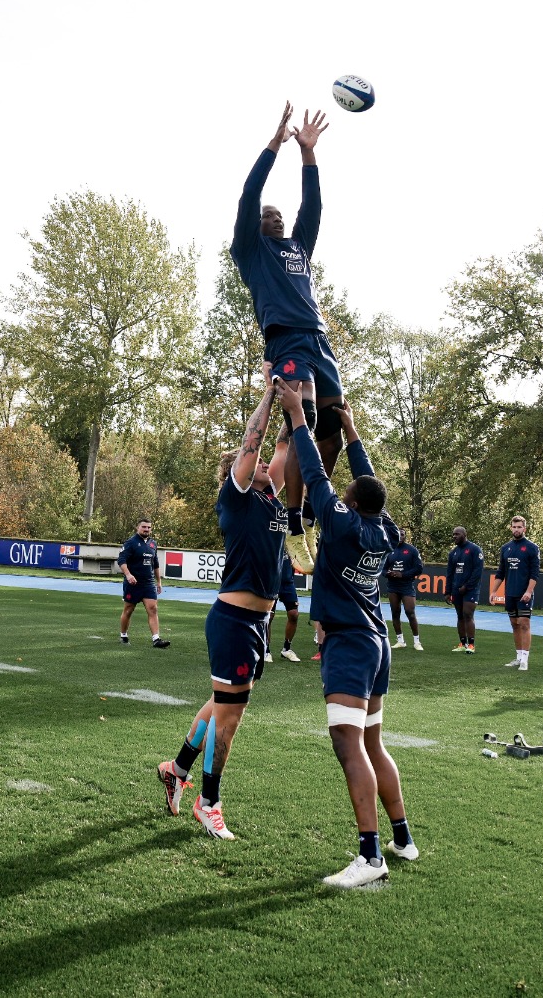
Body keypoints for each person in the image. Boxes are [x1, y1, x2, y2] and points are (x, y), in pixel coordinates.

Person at [278, 377, 418, 888]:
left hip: (351, 643)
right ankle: (402, 838)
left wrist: (298, 415)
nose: (343, 492)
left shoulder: (341, 522)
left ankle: (371, 856)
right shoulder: (385, 528)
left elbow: (315, 471)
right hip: (376, 642)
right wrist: (352, 430)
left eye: (347, 494)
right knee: (374, 743)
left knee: (348, 743)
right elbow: (367, 477)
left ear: (352, 504)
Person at [156, 381, 283, 840]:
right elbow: (256, 440)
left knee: (221, 704)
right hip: (234, 622)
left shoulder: (271, 499)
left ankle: (176, 769)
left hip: (257, 623)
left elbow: (285, 445)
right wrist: (270, 394)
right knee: (231, 715)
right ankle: (208, 802)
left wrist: (298, 400)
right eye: (256, 461)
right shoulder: (237, 498)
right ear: (240, 472)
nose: (265, 462)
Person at [230, 101, 340, 575]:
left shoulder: (299, 247)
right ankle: (293, 525)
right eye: (268, 215)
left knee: (333, 432)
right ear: (256, 226)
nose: (275, 217)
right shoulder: (251, 252)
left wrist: (308, 153)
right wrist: (275, 144)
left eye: (279, 214)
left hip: (320, 343)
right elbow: (249, 194)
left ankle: (311, 516)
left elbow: (313, 206)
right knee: (303, 417)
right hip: (286, 342)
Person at [497, 517, 541, 670]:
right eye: (514, 527)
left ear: (524, 529)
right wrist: (494, 591)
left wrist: (529, 591)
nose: (516, 529)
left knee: (524, 623)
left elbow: (535, 573)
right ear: (511, 528)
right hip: (510, 593)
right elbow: (501, 572)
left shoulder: (532, 548)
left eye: (519, 527)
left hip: (524, 594)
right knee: (514, 624)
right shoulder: (505, 548)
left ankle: (525, 660)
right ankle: (518, 657)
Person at [118, 518, 169, 648]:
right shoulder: (130, 543)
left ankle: (156, 639)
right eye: (144, 527)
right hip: (133, 584)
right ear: (138, 528)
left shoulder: (153, 544)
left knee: (153, 609)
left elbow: (155, 564)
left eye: (149, 527)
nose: (146, 529)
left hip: (148, 584)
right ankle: (123, 635)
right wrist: (128, 575)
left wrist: (159, 582)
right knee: (128, 610)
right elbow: (121, 561)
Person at [447, 527, 484, 653]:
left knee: (468, 614)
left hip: (471, 589)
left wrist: (467, 586)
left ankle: (471, 645)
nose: (454, 536)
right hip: (456, 589)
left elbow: (477, 571)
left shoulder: (475, 549)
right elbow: (450, 574)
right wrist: (447, 592)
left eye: (457, 534)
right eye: (453, 534)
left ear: (464, 534)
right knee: (460, 616)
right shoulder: (453, 553)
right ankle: (462, 643)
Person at [384, 533, 424, 651]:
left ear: (405, 536)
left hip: (406, 586)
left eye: (402, 535)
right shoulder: (389, 549)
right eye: (398, 534)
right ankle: (400, 641)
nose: (400, 536)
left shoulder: (412, 550)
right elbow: (383, 568)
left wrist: (403, 575)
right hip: (393, 586)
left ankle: (417, 642)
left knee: (410, 612)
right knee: (395, 613)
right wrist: (387, 573)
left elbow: (419, 568)